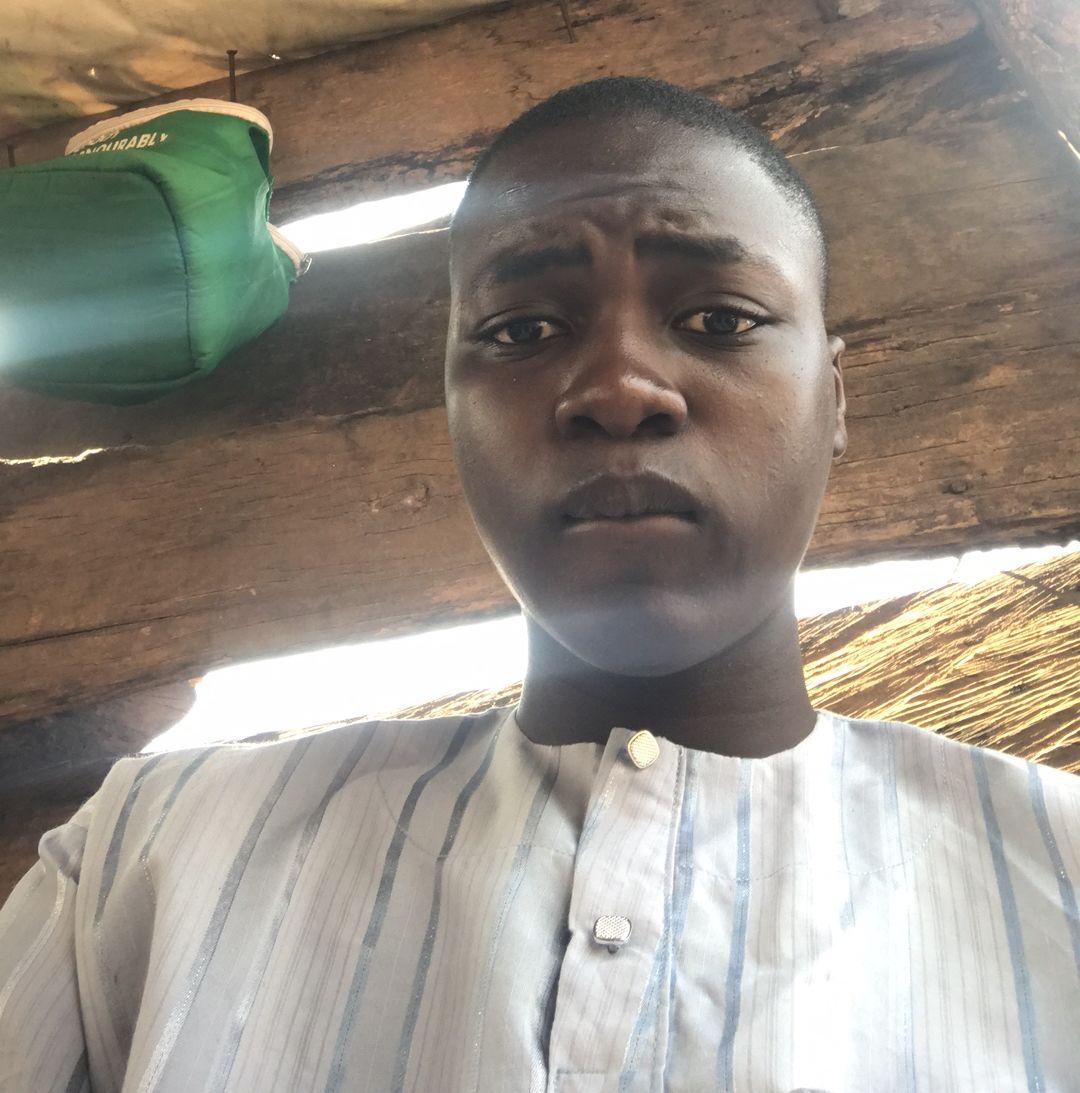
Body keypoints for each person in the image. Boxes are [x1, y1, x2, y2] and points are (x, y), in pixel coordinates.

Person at [1, 76, 1076, 1093]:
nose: (618, 388)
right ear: (452, 410)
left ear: (834, 399)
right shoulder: (150, 858)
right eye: (522, 330)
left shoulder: (1058, 874)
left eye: (721, 319)